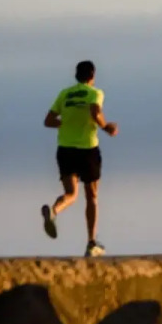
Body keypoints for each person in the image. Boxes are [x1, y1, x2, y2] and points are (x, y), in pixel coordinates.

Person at [41, 60, 118, 257]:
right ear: (92, 75)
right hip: (87, 150)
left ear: (76, 76)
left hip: (65, 149)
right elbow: (95, 112)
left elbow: (48, 121)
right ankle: (91, 243)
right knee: (91, 197)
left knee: (71, 193)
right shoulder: (95, 93)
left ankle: (54, 211)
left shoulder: (64, 94)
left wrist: (67, 124)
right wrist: (106, 127)